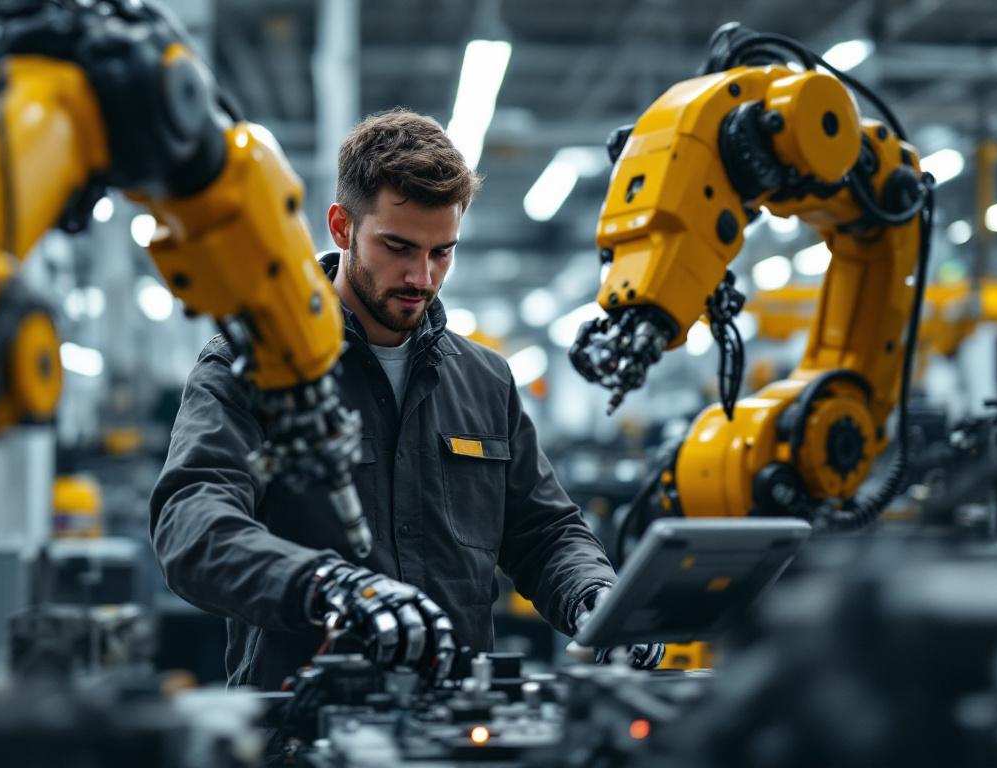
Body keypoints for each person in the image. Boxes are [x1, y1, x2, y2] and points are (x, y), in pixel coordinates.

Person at [149, 108, 639, 690]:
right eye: (398, 247)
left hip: (457, 716)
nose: (421, 277)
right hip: (301, 720)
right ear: (341, 227)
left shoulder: (486, 380)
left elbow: (544, 531)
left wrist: (594, 594)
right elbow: (191, 525)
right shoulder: (252, 363)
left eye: (441, 252)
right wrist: (323, 584)